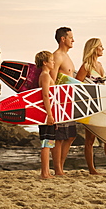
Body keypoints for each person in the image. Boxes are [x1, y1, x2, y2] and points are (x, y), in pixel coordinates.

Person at [76, 38, 106, 174]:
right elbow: (76, 84)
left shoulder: (101, 65)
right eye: (100, 46)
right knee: (90, 139)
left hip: (102, 104)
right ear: (94, 48)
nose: (103, 49)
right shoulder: (86, 66)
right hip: (90, 105)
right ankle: (91, 169)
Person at [49, 27, 77, 176]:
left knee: (71, 136)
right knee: (59, 138)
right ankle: (58, 170)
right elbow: (52, 80)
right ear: (63, 39)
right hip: (59, 101)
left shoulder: (67, 57)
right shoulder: (57, 56)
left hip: (69, 101)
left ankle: (61, 166)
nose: (73, 40)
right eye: (71, 37)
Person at [35, 51, 56, 179]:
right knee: (46, 144)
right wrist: (49, 114)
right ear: (45, 62)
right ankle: (44, 173)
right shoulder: (45, 76)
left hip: (49, 112)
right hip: (45, 113)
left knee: (48, 143)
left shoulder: (45, 75)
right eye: (51, 60)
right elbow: (45, 95)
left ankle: (47, 171)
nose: (53, 62)